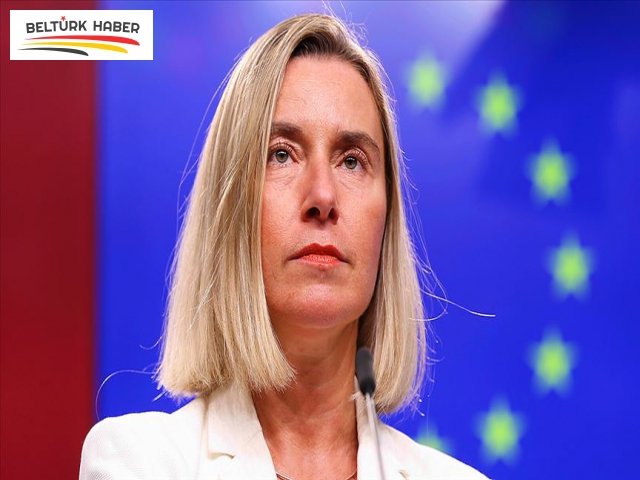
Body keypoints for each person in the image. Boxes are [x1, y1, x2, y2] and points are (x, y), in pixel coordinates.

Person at [80, 13, 488, 480]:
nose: (323, 197)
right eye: (281, 154)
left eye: (351, 161)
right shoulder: (140, 462)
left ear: (387, 219)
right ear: (230, 207)